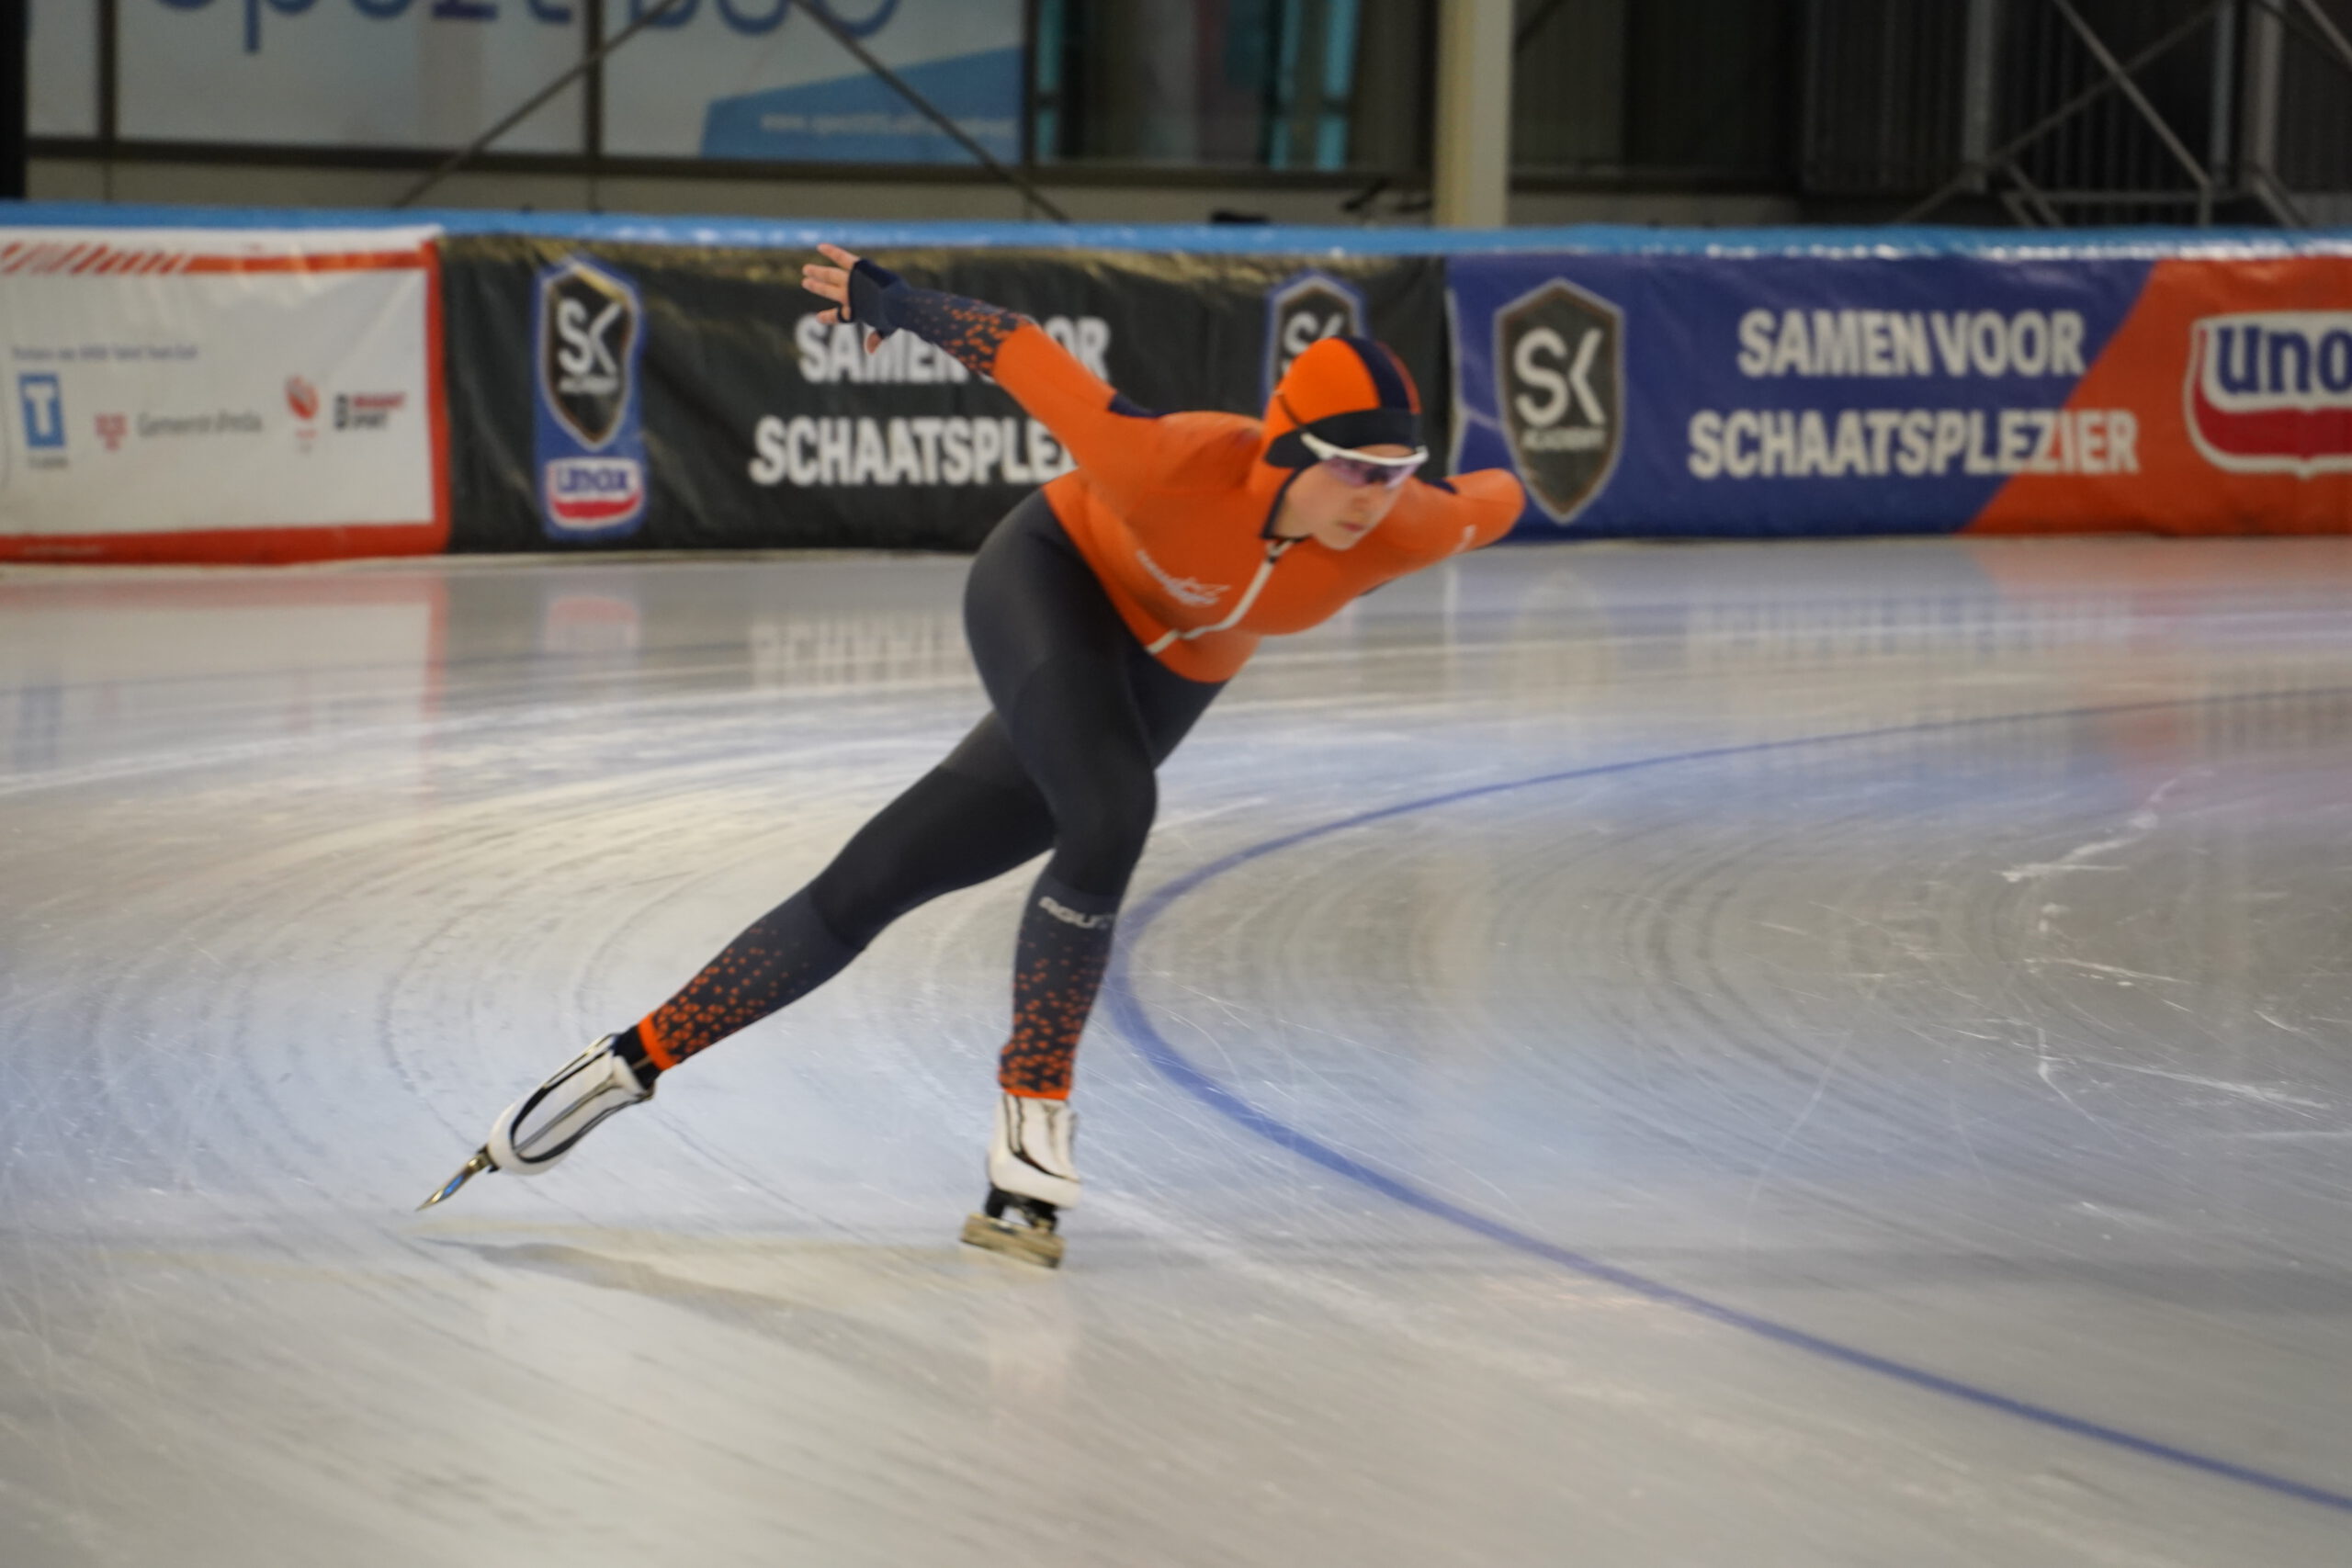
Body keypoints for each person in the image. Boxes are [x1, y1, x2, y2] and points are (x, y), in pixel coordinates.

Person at [421, 244, 1528, 1266]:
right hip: (1054, 581)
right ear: (1288, 446)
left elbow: (1502, 495)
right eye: (1355, 469)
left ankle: (624, 1063)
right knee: (1111, 811)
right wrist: (895, 302)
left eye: (1398, 471)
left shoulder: (1412, 523)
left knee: (877, 880)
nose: (1377, 496)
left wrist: (1430, 491)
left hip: (1177, 670)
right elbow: (1026, 354)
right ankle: (1032, 1122)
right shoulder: (1171, 462)